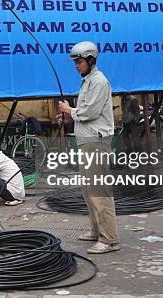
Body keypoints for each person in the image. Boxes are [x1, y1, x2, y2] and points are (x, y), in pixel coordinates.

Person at [57, 41, 121, 254]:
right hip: (87, 141)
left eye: (79, 61)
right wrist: (69, 115)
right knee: (89, 191)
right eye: (75, 61)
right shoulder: (87, 81)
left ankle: (109, 239)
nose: (76, 65)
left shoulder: (99, 81)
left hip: (96, 142)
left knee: (99, 191)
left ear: (91, 60)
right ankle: (96, 230)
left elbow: (90, 112)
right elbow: (85, 112)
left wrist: (69, 110)